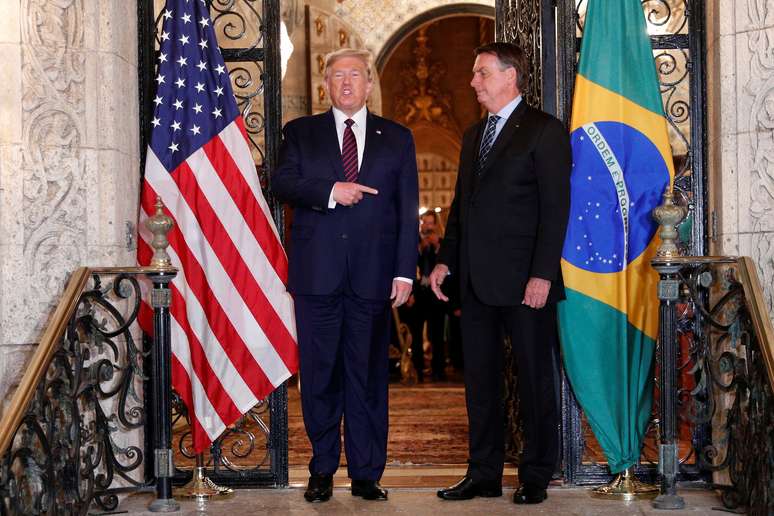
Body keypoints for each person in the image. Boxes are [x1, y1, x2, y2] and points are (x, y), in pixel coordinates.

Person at [272, 48, 419, 503]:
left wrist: (404, 272)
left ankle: (366, 473)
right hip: (317, 277)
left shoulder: (397, 137)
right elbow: (281, 183)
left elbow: (406, 210)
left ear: (370, 84)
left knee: (368, 377)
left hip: (374, 277)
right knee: (319, 376)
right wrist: (331, 191)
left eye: (356, 74)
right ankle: (320, 469)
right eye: (338, 76)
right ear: (326, 85)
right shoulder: (301, 132)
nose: (347, 82)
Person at [430, 42, 571, 505]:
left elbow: (555, 212)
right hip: (475, 281)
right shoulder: (473, 136)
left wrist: (542, 275)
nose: (474, 82)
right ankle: (483, 473)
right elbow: (461, 208)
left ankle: (535, 475)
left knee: (534, 381)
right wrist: (446, 259)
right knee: (481, 386)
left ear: (510, 77)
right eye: (474, 73)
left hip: (527, 283)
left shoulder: (544, 131)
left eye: (481, 73)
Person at [408, 211, 447, 382]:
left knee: (436, 334)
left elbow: (448, 268)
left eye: (431, 223)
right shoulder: (415, 241)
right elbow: (409, 267)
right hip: (419, 294)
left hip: (436, 294)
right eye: (425, 222)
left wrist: (437, 246)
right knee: (416, 334)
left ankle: (439, 369)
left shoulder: (443, 244)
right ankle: (418, 369)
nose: (427, 226)